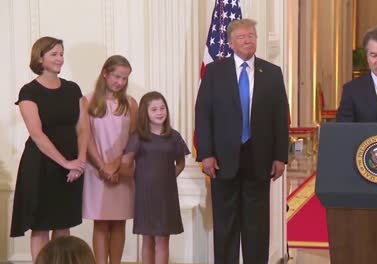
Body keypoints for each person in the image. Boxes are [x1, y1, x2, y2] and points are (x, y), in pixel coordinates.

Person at [195, 18, 289, 264]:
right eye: (242, 36)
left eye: (251, 36)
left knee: (256, 226)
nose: (248, 40)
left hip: (259, 159)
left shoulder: (271, 72)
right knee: (225, 225)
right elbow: (203, 113)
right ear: (230, 42)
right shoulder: (215, 72)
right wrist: (206, 153)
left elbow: (281, 117)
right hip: (222, 160)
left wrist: (280, 156)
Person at [10, 36, 89, 262]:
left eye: (61, 54)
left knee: (64, 224)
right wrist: (66, 163)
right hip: (41, 165)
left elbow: (84, 129)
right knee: (41, 225)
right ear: (40, 57)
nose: (60, 59)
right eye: (54, 54)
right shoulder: (29, 91)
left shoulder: (73, 89)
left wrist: (80, 162)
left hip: (72, 166)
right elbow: (37, 134)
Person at [120, 91, 190, 264]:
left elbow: (180, 163)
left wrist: (167, 179)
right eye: (154, 109)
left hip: (166, 196)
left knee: (163, 239)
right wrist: (139, 178)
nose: (160, 112)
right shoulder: (138, 137)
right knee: (147, 238)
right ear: (145, 113)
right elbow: (125, 163)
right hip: (145, 195)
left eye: (162, 108)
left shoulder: (174, 137)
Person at [82, 55, 138, 264]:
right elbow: (85, 138)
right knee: (101, 222)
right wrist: (103, 166)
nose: (120, 82)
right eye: (117, 76)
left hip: (122, 169)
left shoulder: (130, 104)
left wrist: (115, 166)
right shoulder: (87, 101)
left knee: (119, 222)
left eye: (124, 78)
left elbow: (134, 139)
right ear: (105, 73)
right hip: (96, 170)